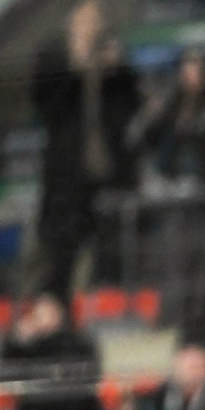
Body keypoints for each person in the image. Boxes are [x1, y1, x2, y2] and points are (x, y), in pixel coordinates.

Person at [32, 0, 141, 295]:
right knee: (61, 254)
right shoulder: (53, 54)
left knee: (109, 252)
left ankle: (106, 304)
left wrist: (117, 69)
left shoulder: (113, 55)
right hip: (66, 178)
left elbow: (132, 104)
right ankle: (58, 308)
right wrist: (75, 67)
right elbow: (44, 105)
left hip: (108, 171)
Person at [130, 47, 205, 342]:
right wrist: (154, 114)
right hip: (172, 195)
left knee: (204, 259)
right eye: (187, 68)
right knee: (174, 257)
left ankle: (203, 318)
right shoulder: (170, 103)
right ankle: (172, 315)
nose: (193, 76)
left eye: (198, 69)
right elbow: (142, 139)